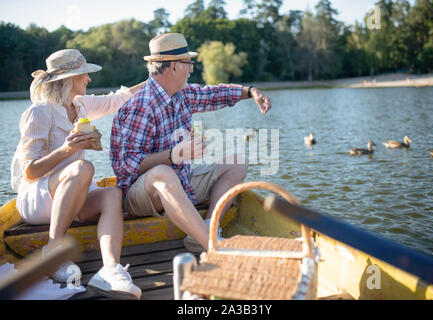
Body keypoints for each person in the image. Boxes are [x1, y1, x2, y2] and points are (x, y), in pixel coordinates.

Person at [110, 33, 272, 253]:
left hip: (180, 181)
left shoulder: (182, 94)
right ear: (174, 67)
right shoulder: (142, 106)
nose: (192, 69)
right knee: (163, 172)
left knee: (237, 162)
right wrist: (174, 155)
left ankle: (207, 230)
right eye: (189, 63)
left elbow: (214, 94)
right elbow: (124, 165)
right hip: (140, 196)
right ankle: (213, 247)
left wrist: (251, 92)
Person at [11, 49, 144, 300]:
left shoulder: (81, 105)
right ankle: (53, 250)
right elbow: (29, 171)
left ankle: (110, 270)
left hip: (72, 192)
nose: (89, 79)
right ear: (69, 78)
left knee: (111, 194)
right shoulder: (39, 112)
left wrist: (157, 77)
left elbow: (119, 98)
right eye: (84, 74)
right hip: (37, 198)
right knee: (84, 167)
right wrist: (68, 149)